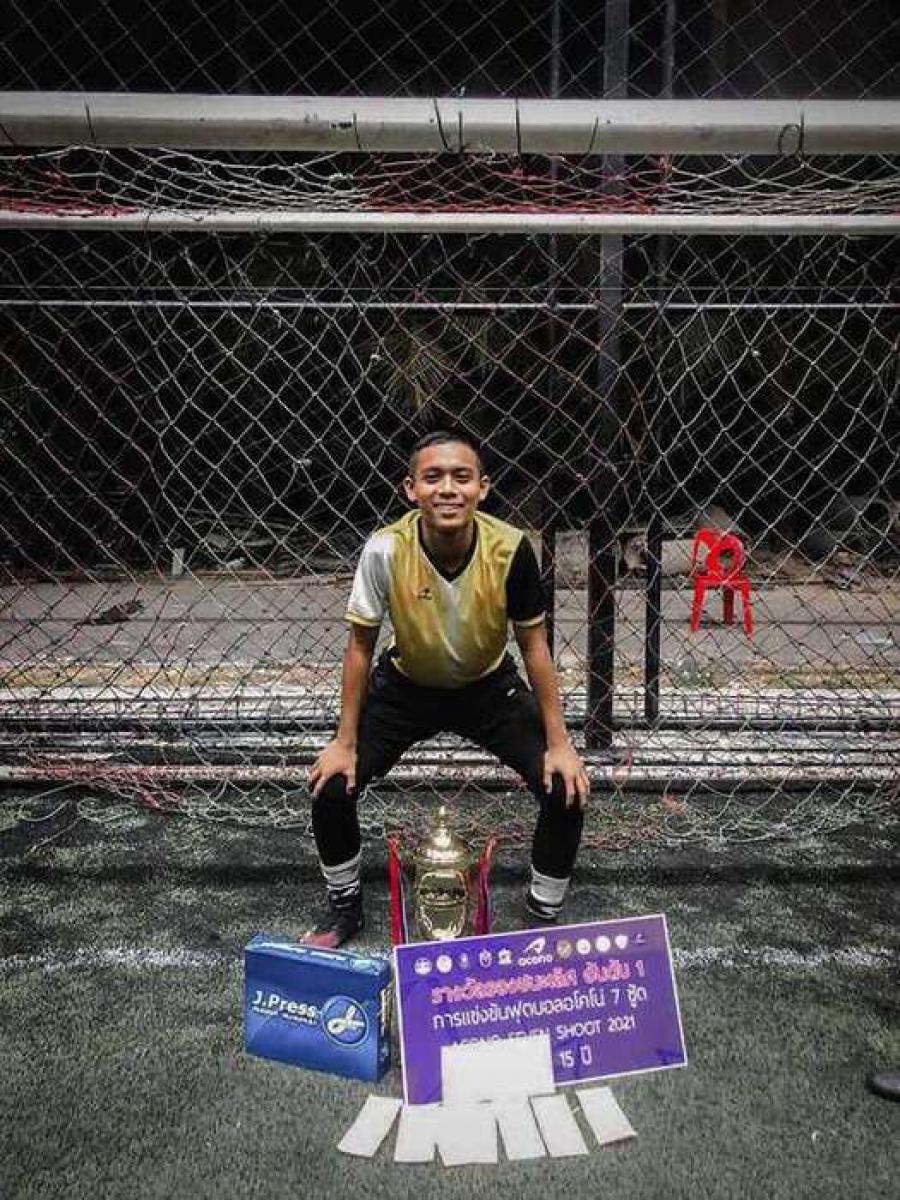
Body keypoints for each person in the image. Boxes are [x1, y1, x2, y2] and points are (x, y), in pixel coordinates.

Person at [305, 428, 590, 947]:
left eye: (462, 477)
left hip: (488, 688)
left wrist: (561, 742)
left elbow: (534, 648)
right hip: (407, 687)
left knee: (564, 786)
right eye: (433, 477)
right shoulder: (385, 548)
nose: (448, 488)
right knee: (332, 785)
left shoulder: (510, 548)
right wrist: (343, 742)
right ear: (411, 489)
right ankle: (344, 908)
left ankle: (543, 916)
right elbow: (359, 648)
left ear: (483, 487)